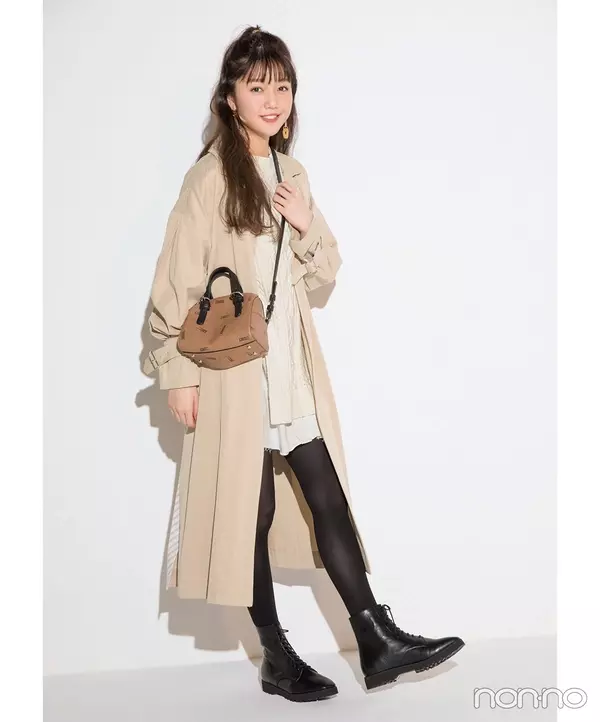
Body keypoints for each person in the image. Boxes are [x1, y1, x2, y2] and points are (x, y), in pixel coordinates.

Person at [144, 25, 465, 702]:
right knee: (249, 516)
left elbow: (323, 274)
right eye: (257, 86)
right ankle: (276, 655)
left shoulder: (292, 174)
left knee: (329, 499)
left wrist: (306, 218)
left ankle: (375, 638)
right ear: (230, 97)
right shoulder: (207, 179)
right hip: (232, 379)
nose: (272, 100)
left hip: (290, 368)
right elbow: (175, 282)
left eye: (283, 87)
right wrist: (176, 374)